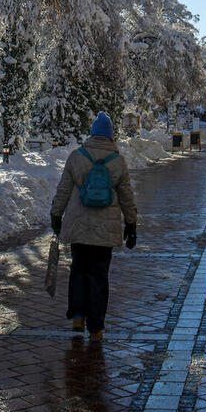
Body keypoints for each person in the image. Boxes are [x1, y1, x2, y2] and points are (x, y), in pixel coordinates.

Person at [50, 112, 138, 342]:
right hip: (105, 229)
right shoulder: (118, 160)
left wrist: (56, 214)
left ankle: (78, 316)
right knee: (99, 275)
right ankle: (96, 326)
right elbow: (127, 196)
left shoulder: (76, 157)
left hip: (79, 225)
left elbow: (63, 189)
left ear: (92, 133)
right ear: (110, 136)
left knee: (79, 270)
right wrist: (131, 222)